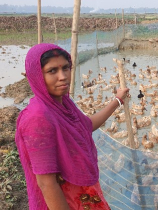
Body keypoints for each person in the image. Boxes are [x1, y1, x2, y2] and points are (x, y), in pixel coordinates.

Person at [15, 43, 130, 210]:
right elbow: (47, 183)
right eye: (52, 71)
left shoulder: (64, 104)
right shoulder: (37, 117)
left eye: (66, 68)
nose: (63, 76)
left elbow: (86, 126)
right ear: (36, 76)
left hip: (83, 196)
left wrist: (117, 101)